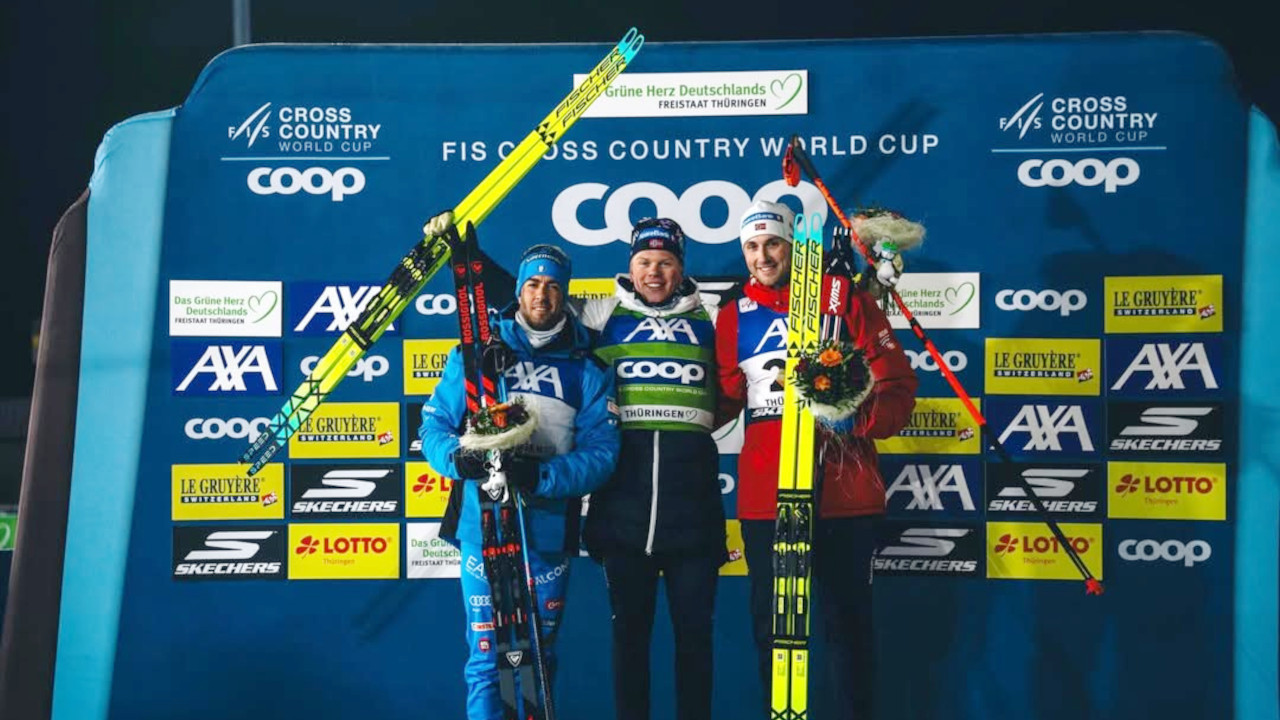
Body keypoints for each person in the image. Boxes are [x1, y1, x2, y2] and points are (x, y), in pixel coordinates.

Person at [714, 200, 919, 720]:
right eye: (752, 247)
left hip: (843, 496)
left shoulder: (843, 299)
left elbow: (898, 389)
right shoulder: (733, 316)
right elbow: (722, 400)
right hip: (768, 500)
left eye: (773, 244)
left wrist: (856, 417)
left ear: (794, 247)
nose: (763, 256)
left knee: (848, 630)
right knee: (774, 630)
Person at [418, 227, 621, 720]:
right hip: (483, 522)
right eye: (532, 284)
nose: (541, 295)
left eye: (552, 286)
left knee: (537, 658)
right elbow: (434, 426)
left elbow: (602, 453)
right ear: (519, 289)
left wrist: (540, 476)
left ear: (565, 294)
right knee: (486, 658)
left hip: (547, 527)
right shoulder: (477, 353)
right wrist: (459, 459)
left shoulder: (587, 366)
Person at [576, 217, 726, 720]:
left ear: (681, 268)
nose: (654, 272)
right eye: (644, 262)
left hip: (694, 516)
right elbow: (533, 304)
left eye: (665, 262)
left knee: (695, 640)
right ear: (630, 266)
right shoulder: (601, 312)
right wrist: (464, 251)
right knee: (629, 640)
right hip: (622, 513)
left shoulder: (712, 314)